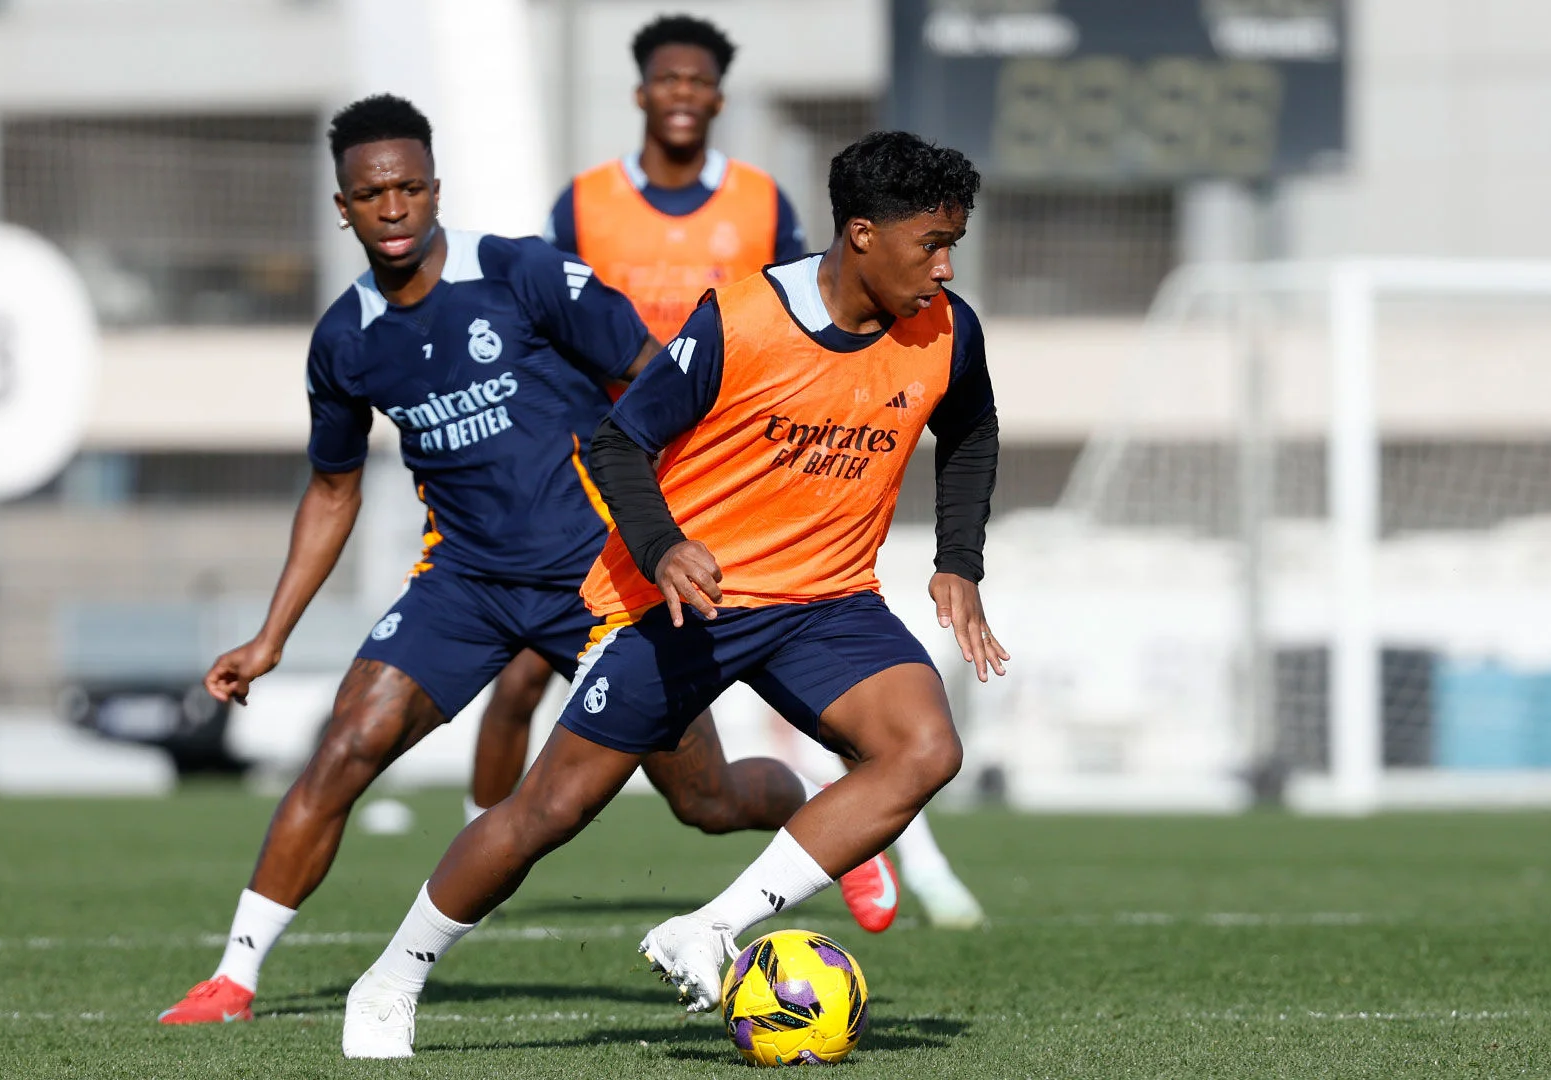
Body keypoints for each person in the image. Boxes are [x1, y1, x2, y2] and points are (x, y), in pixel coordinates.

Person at [157, 94, 887, 1026]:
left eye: (411, 188)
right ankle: (235, 978)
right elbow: (333, 490)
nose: (393, 208)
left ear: (433, 189)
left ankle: (834, 818)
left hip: (599, 585)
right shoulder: (345, 340)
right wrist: (269, 637)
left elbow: (660, 381)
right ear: (342, 205)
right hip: (462, 585)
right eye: (371, 194)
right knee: (346, 745)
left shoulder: (521, 273)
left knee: (704, 799)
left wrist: (683, 530)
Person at [341, 130, 1005, 1059]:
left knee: (925, 747)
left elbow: (971, 427)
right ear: (861, 234)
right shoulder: (740, 319)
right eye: (930, 244)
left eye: (952, 247)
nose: (943, 267)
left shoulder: (947, 329)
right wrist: (661, 550)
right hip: (686, 602)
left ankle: (711, 927)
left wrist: (958, 561)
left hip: (826, 604)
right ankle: (391, 978)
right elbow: (617, 442)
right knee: (548, 815)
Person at [482, 11, 984, 931]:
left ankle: (906, 855)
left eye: (698, 81)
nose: (682, 96)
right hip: (623, 479)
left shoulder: (758, 202)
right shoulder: (585, 203)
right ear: (641, 94)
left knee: (887, 734)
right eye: (665, 80)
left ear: (717, 96)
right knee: (573, 714)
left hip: (744, 493)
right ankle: (477, 866)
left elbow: (813, 316)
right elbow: (555, 323)